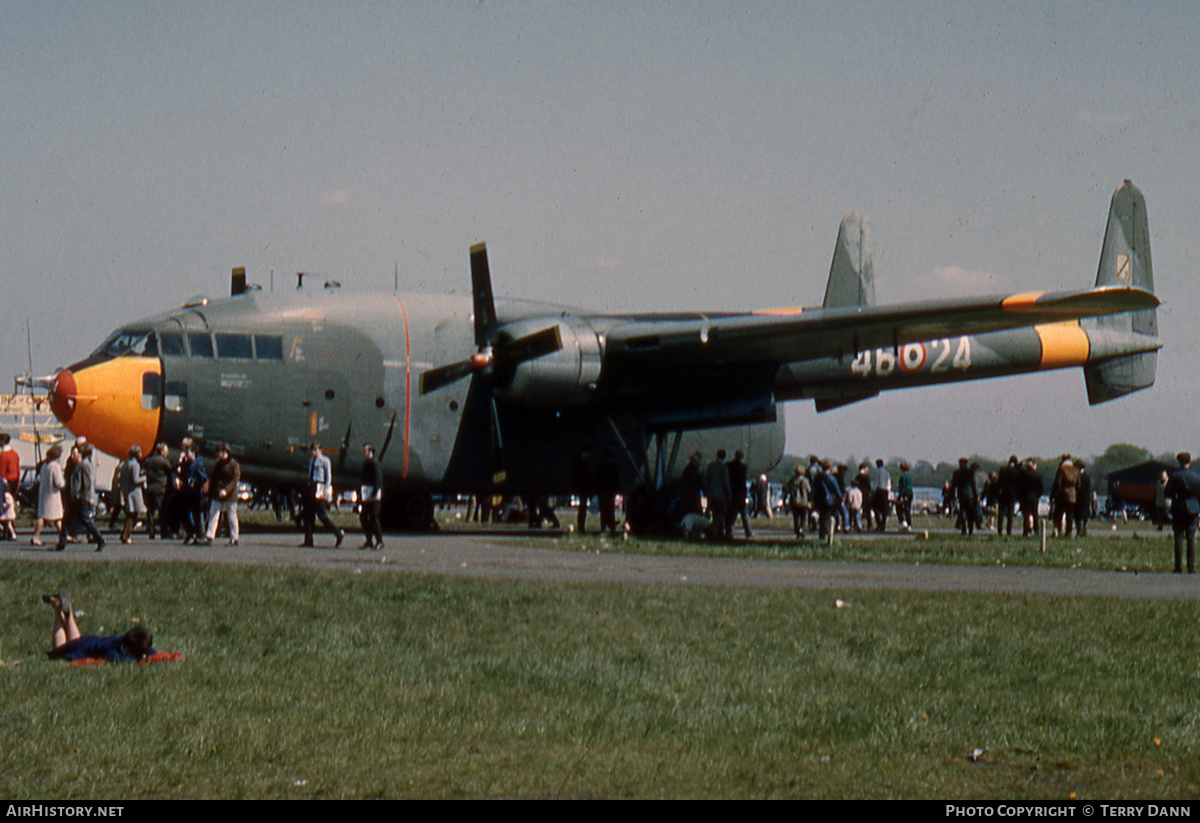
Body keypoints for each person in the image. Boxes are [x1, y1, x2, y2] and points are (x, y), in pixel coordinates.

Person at [43, 588, 156, 663]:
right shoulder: (115, 649)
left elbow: (152, 652)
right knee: (59, 650)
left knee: (74, 641)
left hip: (88, 640)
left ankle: (68, 613)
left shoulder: (122, 639)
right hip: (83, 649)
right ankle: (58, 610)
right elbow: (114, 658)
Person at [56, 443, 105, 552]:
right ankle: (61, 543)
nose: (72, 456)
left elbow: (87, 484)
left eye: (75, 454)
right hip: (75, 499)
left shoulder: (84, 466)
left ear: (81, 454)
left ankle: (100, 539)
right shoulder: (76, 466)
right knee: (66, 522)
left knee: (86, 521)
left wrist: (84, 497)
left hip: (80, 500)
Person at [1163, 452, 1200, 574]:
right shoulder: (1196, 477)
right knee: (1191, 538)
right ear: (1189, 461)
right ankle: (1191, 567)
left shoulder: (1174, 476)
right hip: (1192, 508)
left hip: (1178, 507)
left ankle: (1178, 566)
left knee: (1178, 538)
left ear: (1179, 462)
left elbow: (1167, 492)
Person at [303, 442, 344, 547]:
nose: (313, 452)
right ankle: (308, 540)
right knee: (308, 515)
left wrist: (325, 490)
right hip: (311, 486)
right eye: (312, 450)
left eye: (315, 450)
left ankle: (338, 533)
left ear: (319, 450)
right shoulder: (311, 460)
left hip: (320, 487)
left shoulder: (325, 460)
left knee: (322, 515)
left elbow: (328, 477)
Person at [204, 443, 241, 546]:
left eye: (218, 452)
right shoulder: (218, 464)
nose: (217, 454)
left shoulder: (234, 464)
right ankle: (210, 536)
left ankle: (234, 537)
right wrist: (213, 492)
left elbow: (235, 480)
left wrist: (226, 490)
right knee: (214, 514)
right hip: (218, 493)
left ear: (224, 452)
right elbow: (214, 478)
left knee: (232, 516)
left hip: (230, 494)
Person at [32, 444, 66, 547]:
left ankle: (62, 536)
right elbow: (59, 482)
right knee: (55, 517)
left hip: (44, 494)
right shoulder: (55, 466)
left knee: (45, 516)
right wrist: (65, 482)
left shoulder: (44, 465)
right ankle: (36, 536)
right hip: (53, 495)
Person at [142, 442, 172, 540]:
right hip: (160, 489)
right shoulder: (164, 462)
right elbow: (171, 470)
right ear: (162, 451)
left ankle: (151, 531)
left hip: (150, 488)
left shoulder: (149, 460)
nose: (167, 453)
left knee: (150, 512)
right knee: (162, 511)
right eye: (166, 451)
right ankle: (164, 532)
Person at [119, 445, 147, 544]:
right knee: (132, 515)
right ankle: (126, 536)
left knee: (130, 514)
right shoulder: (135, 465)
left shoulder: (125, 463)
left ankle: (124, 534)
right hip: (134, 492)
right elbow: (136, 480)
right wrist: (144, 478)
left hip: (126, 491)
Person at [359, 443, 384, 549]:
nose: (364, 452)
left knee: (373, 517)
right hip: (366, 493)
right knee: (363, 516)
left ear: (370, 451)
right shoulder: (366, 462)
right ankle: (369, 540)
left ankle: (380, 541)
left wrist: (375, 491)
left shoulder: (374, 463)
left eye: (365, 450)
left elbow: (378, 479)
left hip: (373, 494)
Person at [704, 450, 731, 539]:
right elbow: (725, 482)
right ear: (724, 456)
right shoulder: (723, 468)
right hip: (721, 495)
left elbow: (707, 479)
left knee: (715, 513)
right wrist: (729, 493)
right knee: (721, 515)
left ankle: (717, 532)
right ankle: (712, 529)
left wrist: (707, 491)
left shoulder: (711, 466)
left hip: (712, 494)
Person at [725, 450, 752, 539]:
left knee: (730, 514)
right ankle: (748, 532)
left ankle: (728, 531)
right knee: (744, 514)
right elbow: (743, 482)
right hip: (740, 494)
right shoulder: (743, 467)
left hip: (732, 492)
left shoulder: (729, 466)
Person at [594, 450, 621, 534]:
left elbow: (596, 480)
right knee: (609, 510)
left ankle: (604, 527)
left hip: (603, 492)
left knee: (604, 511)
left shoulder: (599, 468)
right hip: (609, 492)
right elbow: (616, 481)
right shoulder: (612, 468)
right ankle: (611, 526)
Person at [570, 446, 593, 534]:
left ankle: (581, 526)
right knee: (582, 508)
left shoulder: (578, 462)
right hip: (583, 488)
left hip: (581, 488)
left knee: (582, 508)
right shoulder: (582, 463)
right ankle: (581, 526)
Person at [785, 465, 811, 538]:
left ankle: (796, 529)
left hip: (794, 501)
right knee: (803, 516)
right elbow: (809, 490)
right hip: (803, 501)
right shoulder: (805, 481)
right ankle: (801, 528)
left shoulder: (792, 480)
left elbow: (788, 490)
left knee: (796, 516)